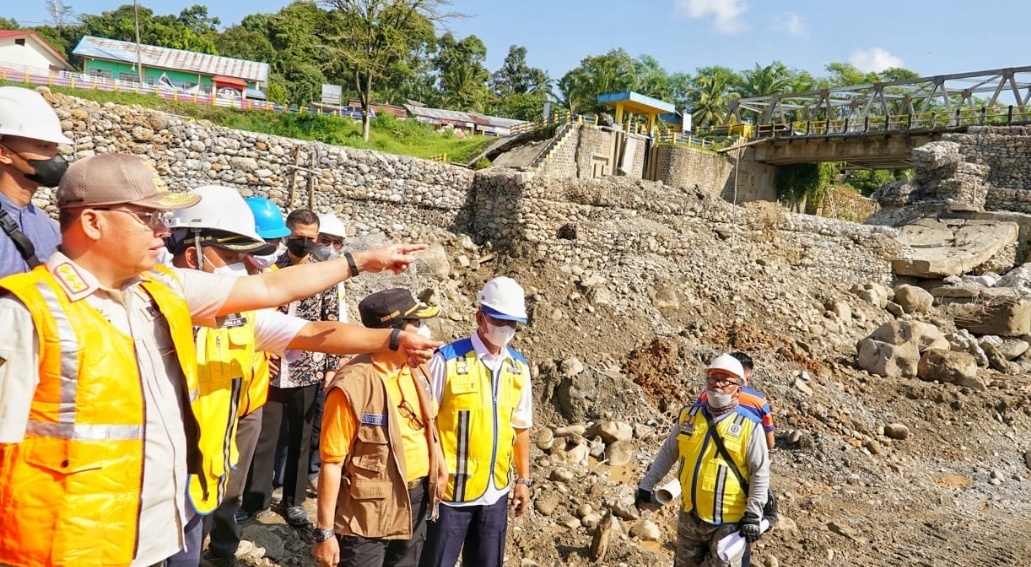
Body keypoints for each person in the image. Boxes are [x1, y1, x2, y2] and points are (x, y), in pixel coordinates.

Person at [0, 153, 439, 566]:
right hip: (70, 545)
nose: (161, 229)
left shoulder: (161, 290)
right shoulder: (27, 314)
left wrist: (362, 267)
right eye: (147, 216)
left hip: (155, 528)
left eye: (163, 218)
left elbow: (272, 292)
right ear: (93, 222)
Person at [313, 288, 448, 567]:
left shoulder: (416, 369)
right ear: (394, 333)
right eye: (417, 324)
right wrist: (325, 533)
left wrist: (440, 463)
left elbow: (428, 427)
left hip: (416, 500)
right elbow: (332, 464)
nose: (423, 331)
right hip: (366, 516)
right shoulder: (351, 386)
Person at [420, 277, 534, 567]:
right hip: (450, 495)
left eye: (513, 324)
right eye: (500, 321)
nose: (506, 330)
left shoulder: (518, 367)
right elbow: (423, 422)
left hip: (494, 493)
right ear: (480, 318)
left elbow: (521, 427)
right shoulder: (446, 361)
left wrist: (523, 480)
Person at [203, 195, 292, 566]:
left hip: (251, 400)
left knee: (232, 487)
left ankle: (222, 547)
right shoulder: (214, 284)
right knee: (205, 479)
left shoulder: (271, 283)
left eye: (275, 244)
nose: (273, 251)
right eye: (265, 243)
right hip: (213, 398)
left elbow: (272, 331)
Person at [249, 209, 343, 528]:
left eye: (311, 239)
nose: (304, 243)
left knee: (301, 438)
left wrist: (331, 366)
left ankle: (294, 502)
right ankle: (255, 500)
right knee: (265, 437)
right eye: (298, 237)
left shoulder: (324, 274)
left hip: (308, 368)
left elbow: (331, 322)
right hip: (271, 367)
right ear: (287, 234)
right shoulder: (270, 268)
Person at [635, 354, 771, 567]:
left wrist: (753, 515)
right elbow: (668, 453)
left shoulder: (749, 425)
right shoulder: (689, 416)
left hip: (729, 523)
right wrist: (646, 485)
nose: (717, 384)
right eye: (713, 378)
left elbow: (760, 472)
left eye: (725, 380)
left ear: (738, 388)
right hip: (690, 518)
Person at [0, 86, 72, 277]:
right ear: (3, 153)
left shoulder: (48, 228)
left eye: (55, 147)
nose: (55, 157)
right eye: (42, 146)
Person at [308, 211, 351, 495]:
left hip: (327, 359)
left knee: (317, 421)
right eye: (326, 241)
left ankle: (311, 472)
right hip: (304, 360)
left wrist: (335, 363)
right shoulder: (302, 273)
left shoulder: (336, 277)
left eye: (338, 244)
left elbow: (337, 321)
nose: (331, 248)